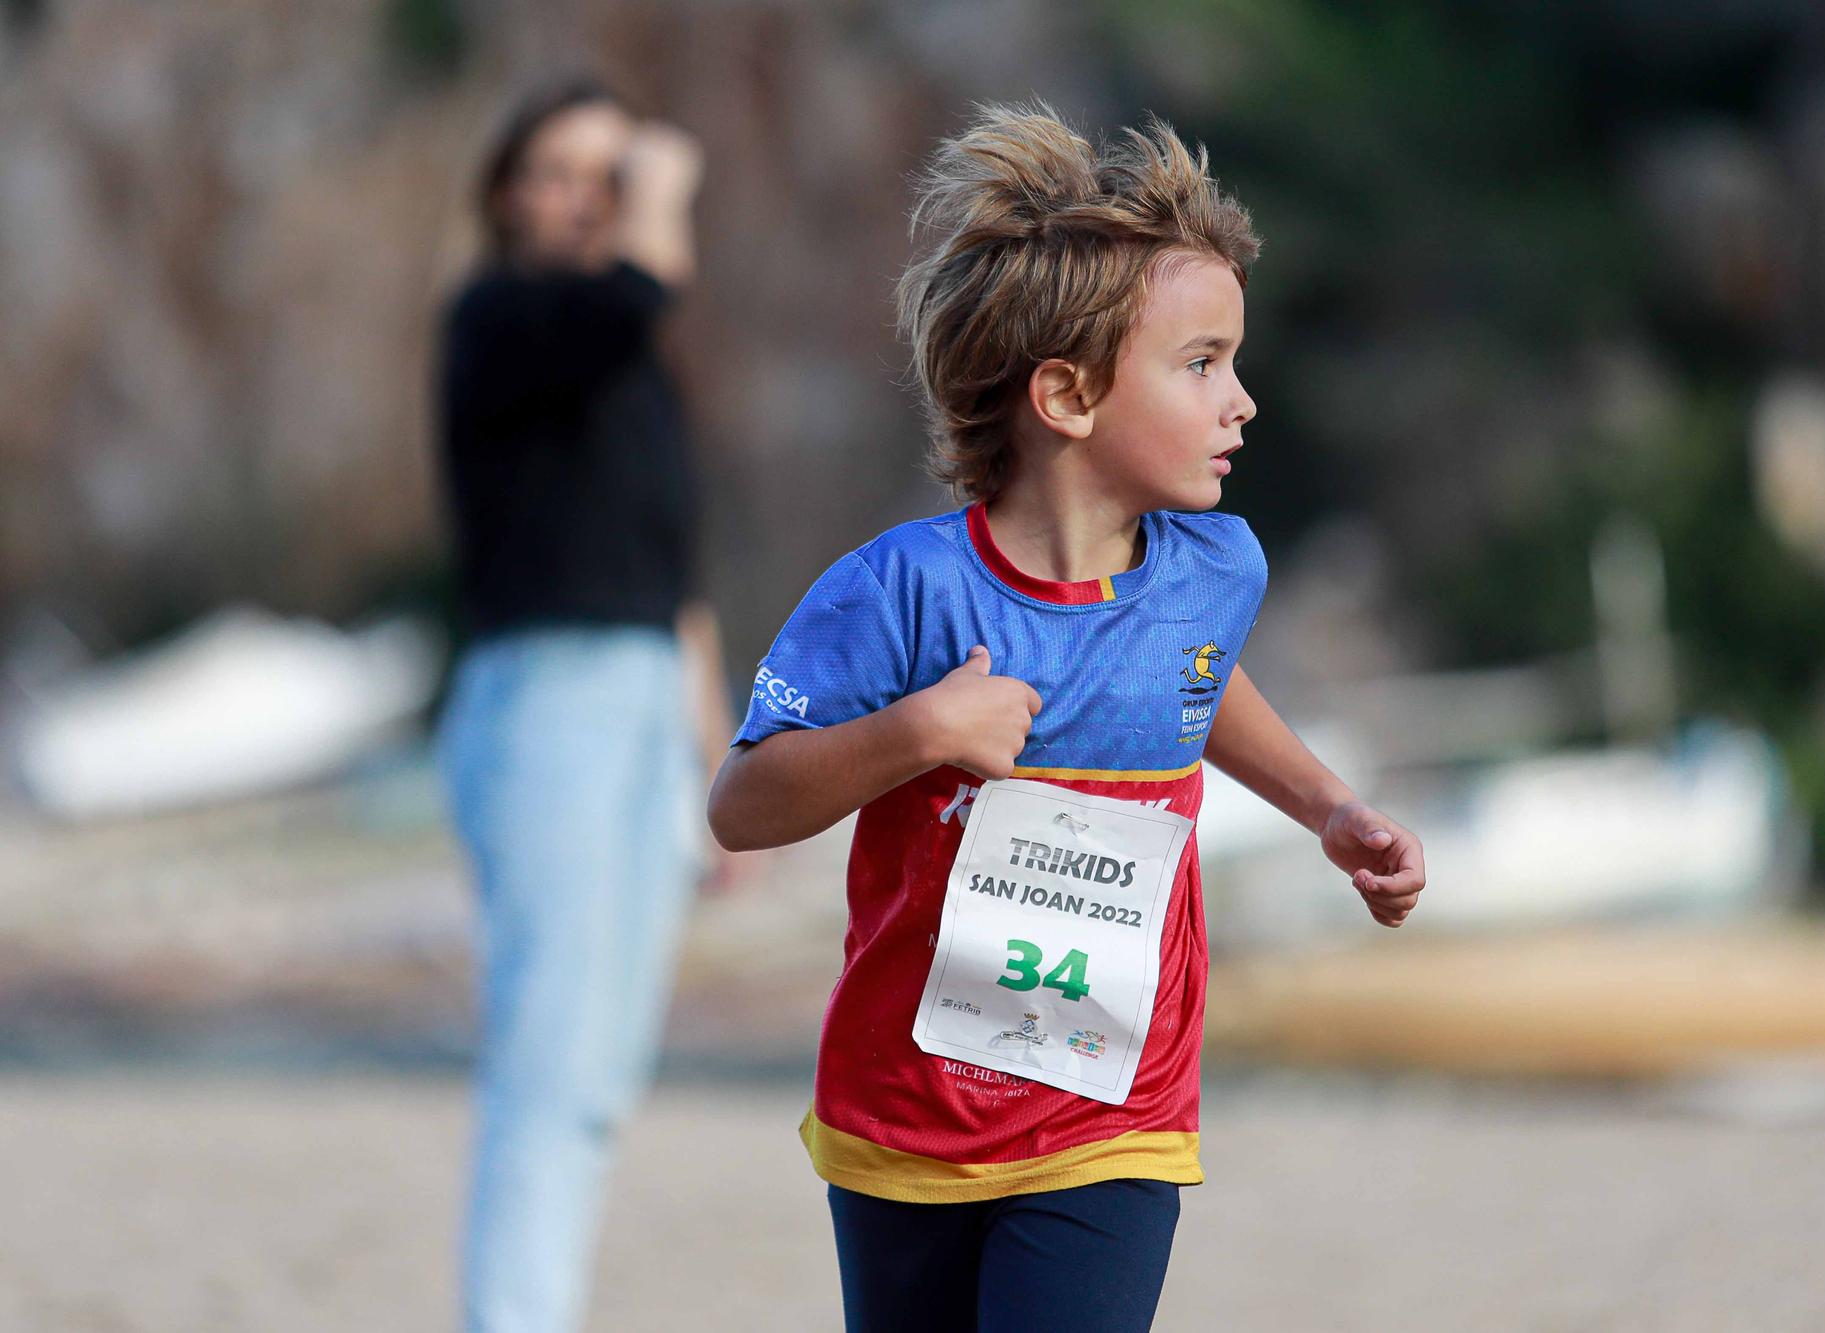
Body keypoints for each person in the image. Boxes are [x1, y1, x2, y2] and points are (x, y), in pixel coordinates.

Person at [706, 103, 1427, 1332]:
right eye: (1201, 365)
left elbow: (1197, 681)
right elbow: (742, 805)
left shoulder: (1213, 571)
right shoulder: (899, 594)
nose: (1241, 400)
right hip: (904, 1116)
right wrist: (917, 733)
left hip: (1115, 1115)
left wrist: (1327, 805)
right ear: (1066, 396)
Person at [435, 78, 732, 1333]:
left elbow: (667, 568)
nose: (581, 199)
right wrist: (660, 190)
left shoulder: (628, 373)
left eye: (605, 179)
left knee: (602, 1073)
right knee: (547, 1066)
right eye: (557, 172)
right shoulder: (500, 315)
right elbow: (637, 293)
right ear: (506, 190)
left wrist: (712, 749)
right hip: (542, 701)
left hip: (639, 708)